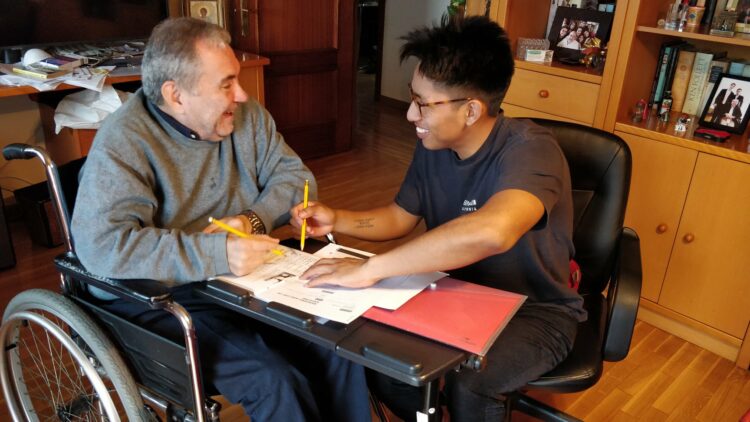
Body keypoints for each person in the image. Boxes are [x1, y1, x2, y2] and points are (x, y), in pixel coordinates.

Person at [70, 17, 370, 421]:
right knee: (272, 379)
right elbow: (104, 246)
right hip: (156, 296)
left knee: (338, 344)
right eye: (226, 84)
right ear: (176, 95)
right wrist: (218, 253)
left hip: (236, 279)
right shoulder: (124, 142)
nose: (242, 95)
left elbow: (297, 180)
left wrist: (253, 220)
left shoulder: (246, 117)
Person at [290, 15, 585, 421]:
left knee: (473, 382)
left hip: (535, 312)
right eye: (412, 99)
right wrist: (336, 218)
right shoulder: (433, 146)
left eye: (423, 104)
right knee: (381, 360)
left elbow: (493, 230)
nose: (411, 115)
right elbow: (400, 216)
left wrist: (370, 269)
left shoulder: (532, 149)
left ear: (471, 110)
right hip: (451, 294)